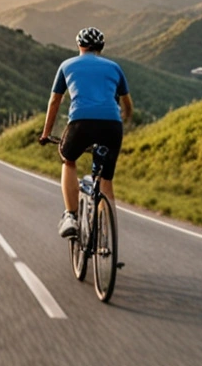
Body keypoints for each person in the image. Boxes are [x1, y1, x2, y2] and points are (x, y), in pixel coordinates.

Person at [39, 27, 133, 239]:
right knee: (106, 179)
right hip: (112, 125)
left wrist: (46, 134)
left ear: (79, 46)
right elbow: (127, 104)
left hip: (81, 122)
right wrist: (124, 121)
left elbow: (55, 101)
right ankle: (108, 234)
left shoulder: (67, 65)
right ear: (101, 47)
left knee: (68, 159)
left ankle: (70, 215)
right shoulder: (115, 67)